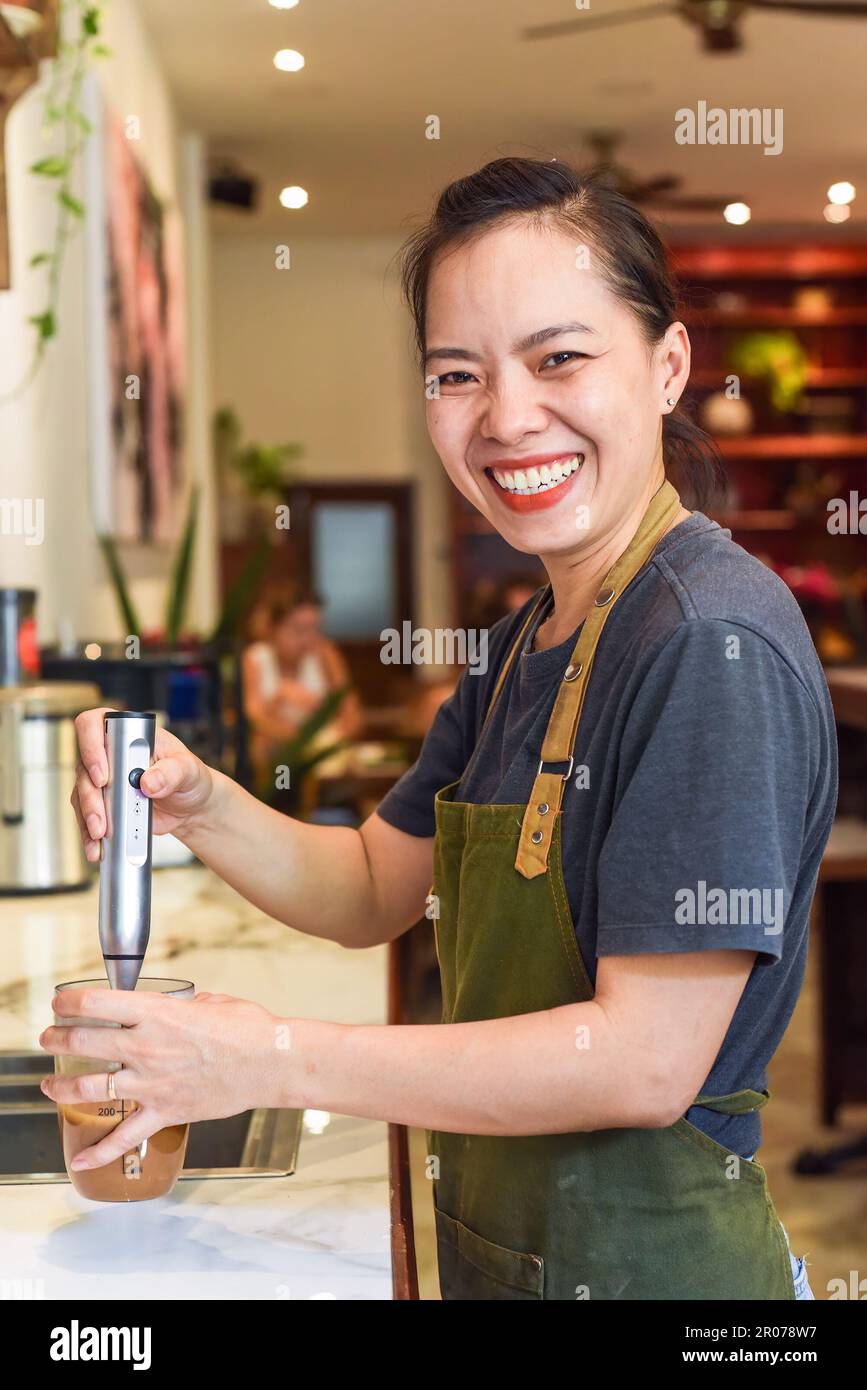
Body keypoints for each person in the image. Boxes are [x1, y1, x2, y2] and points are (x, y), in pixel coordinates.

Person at [50, 159, 836, 1301]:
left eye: (559, 356)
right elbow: (375, 882)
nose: (509, 416)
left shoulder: (709, 640)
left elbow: (644, 1060)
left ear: (667, 367)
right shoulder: (530, 640)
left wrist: (263, 1056)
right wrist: (198, 800)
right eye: (457, 373)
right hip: (509, 1256)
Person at [241, 588, 364, 781]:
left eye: (315, 629)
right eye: (298, 629)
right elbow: (252, 719)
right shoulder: (255, 659)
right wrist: (279, 699)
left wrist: (326, 722)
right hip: (273, 768)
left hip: (324, 766)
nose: (308, 639)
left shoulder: (325, 654)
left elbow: (352, 715)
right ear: (272, 628)